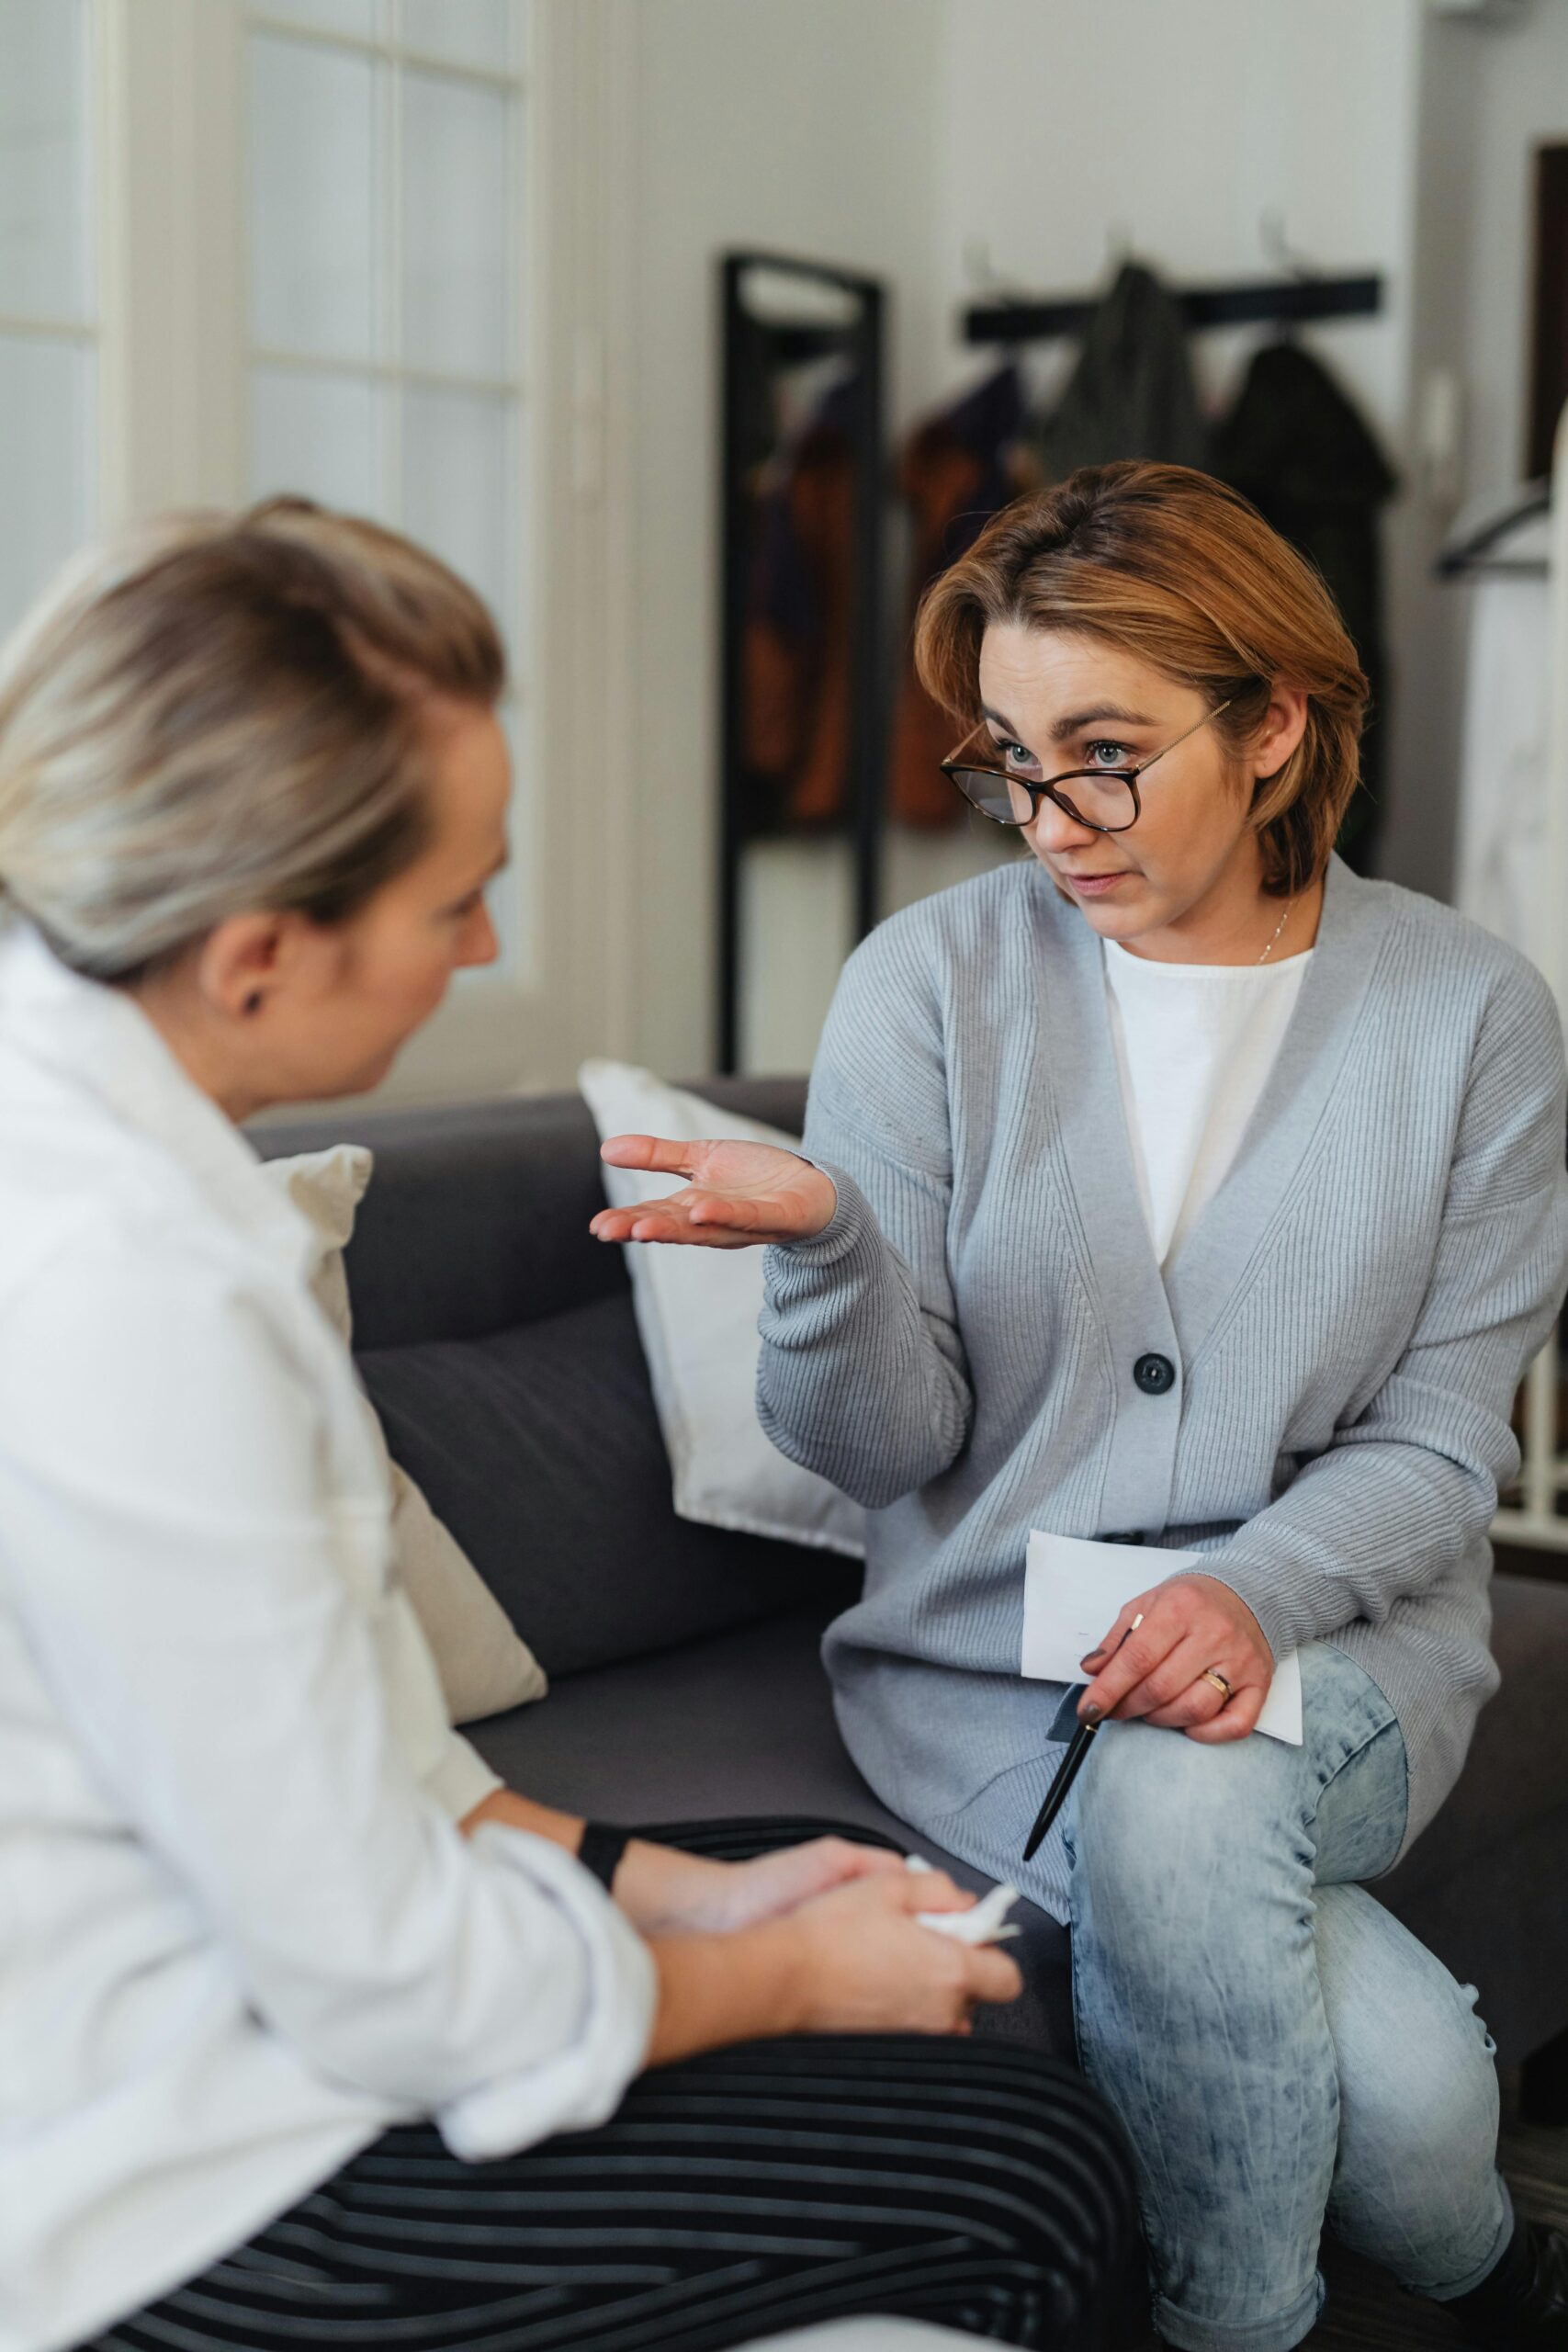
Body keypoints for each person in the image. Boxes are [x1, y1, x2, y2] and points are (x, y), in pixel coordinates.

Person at [0, 502, 1143, 2352]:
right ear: (256, 953)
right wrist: (776, 1974)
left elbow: (362, 1767)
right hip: (175, 2186)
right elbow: (387, 1978)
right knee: (1029, 2173)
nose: (486, 940)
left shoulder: (109, 1143)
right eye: (453, 897)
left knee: (866, 1890)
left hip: (260, 1980)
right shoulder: (132, 1302)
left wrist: (698, 1884)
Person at [592, 462, 1568, 2352]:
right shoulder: (927, 987)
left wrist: (1247, 1589)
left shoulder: (1467, 1014)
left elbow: (1452, 1434)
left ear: (1273, 722)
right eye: (1012, 762)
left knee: (1192, 1799)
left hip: (1346, 1648)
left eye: (1103, 753)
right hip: (980, 1675)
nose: (1048, 822)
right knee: (1421, 2102)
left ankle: (1226, 2325)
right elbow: (877, 1451)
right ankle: (1498, 2270)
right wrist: (827, 1245)